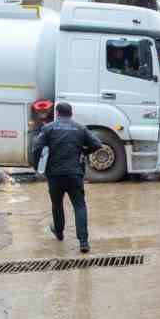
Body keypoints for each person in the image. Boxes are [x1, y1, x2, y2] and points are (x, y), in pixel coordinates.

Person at [29, 101, 100, 253]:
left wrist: (38, 166)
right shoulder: (80, 128)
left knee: (57, 204)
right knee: (79, 206)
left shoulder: (49, 128)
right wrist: (83, 151)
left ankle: (59, 232)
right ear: (71, 114)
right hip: (75, 173)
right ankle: (83, 242)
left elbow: (37, 147)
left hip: (54, 175)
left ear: (57, 114)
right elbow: (97, 144)